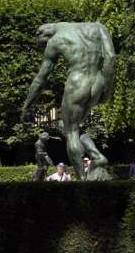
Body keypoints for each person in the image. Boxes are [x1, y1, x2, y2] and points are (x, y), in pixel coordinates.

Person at [21, 22, 116, 180]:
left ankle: (81, 182)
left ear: (44, 33)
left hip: (77, 83)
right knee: (77, 128)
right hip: (98, 82)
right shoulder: (98, 27)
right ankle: (97, 156)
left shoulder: (56, 40)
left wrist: (27, 105)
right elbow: (111, 58)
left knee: (70, 131)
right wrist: (107, 90)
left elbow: (41, 78)